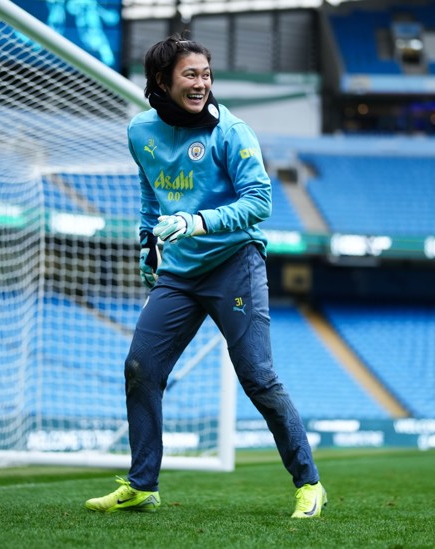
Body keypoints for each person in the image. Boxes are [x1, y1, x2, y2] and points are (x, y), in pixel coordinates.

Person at [84, 34, 326, 519]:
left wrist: (197, 222)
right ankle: (142, 485)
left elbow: (260, 202)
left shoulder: (232, 132)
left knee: (257, 377)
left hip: (233, 265)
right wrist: (146, 240)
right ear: (161, 81)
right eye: (190, 75)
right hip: (178, 273)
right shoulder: (140, 132)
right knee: (141, 369)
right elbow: (150, 191)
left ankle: (310, 484)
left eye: (206, 75)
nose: (201, 84)